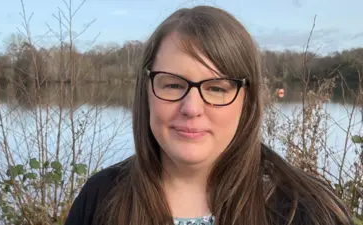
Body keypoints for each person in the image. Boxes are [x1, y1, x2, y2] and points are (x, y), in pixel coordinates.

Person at [64, 5, 353, 225]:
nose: (191, 108)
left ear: (247, 100)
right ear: (146, 92)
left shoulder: (306, 210)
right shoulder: (100, 200)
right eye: (174, 84)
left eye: (217, 88)